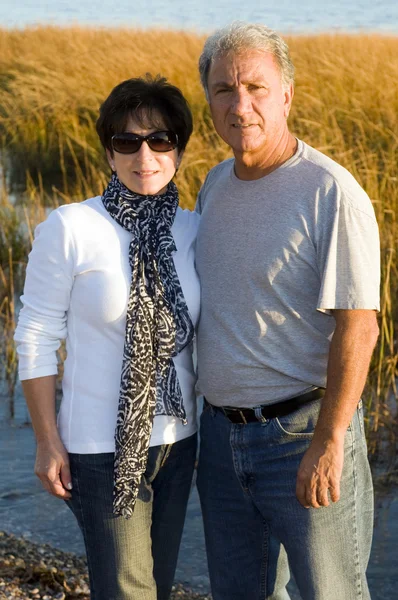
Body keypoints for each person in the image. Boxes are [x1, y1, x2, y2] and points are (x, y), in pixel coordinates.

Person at [195, 22, 380, 600]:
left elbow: (359, 325)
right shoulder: (213, 184)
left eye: (255, 87)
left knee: (332, 592)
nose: (240, 103)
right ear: (209, 99)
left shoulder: (330, 191)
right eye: (224, 89)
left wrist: (329, 441)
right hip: (221, 440)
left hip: (301, 436)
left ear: (286, 95)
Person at [14, 75, 200, 600]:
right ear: (109, 153)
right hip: (100, 448)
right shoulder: (71, 227)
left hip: (177, 443)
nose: (145, 154)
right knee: (125, 590)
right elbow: (35, 336)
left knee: (156, 587)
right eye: (127, 141)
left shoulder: (191, 228)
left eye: (160, 140)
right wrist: (47, 440)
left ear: (179, 152)